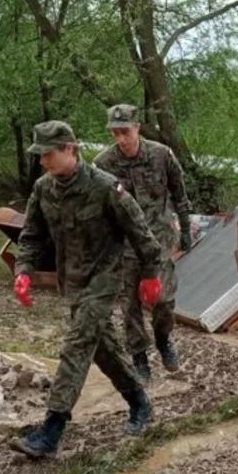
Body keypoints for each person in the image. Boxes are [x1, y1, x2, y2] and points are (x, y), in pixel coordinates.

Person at [10, 120, 163, 458]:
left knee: (76, 346)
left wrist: (151, 276)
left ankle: (51, 429)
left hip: (105, 281)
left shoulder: (106, 187)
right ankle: (140, 403)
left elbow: (142, 235)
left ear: (70, 149)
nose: (42, 162)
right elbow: (31, 236)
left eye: (48, 154)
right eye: (39, 155)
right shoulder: (43, 189)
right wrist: (23, 271)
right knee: (103, 349)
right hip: (73, 284)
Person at [93, 104, 193, 381]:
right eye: (115, 133)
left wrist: (185, 227)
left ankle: (163, 339)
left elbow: (179, 191)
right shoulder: (104, 164)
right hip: (125, 244)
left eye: (125, 131)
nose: (121, 139)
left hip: (158, 240)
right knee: (130, 306)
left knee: (163, 301)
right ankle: (139, 357)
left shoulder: (161, 155)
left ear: (137, 127)